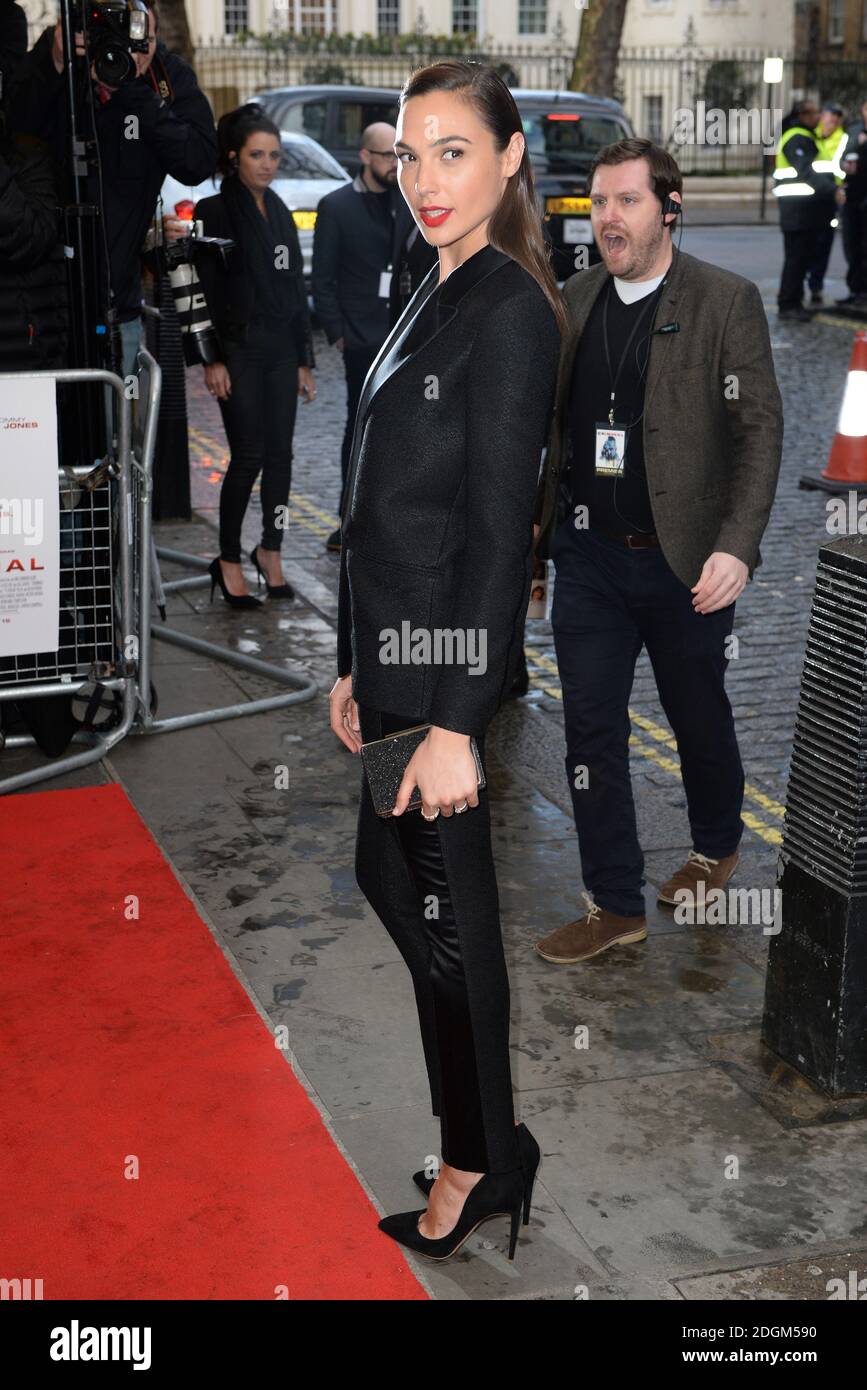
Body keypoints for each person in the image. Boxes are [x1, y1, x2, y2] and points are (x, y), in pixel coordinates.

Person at [329, 60, 563, 1262]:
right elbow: (374, 494)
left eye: (454, 150)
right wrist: (347, 662)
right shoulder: (437, 278)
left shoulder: (513, 311)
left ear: (510, 157)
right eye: (410, 154)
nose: (423, 178)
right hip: (394, 667)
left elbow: (493, 536)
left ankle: (478, 1156)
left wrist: (462, 720)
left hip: (443, 677)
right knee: (400, 883)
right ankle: (491, 1130)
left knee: (449, 915)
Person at [533, 137, 783, 966]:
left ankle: (715, 847)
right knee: (589, 733)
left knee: (696, 717)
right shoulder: (574, 297)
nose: (608, 217)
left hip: (684, 563)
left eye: (626, 201)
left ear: (667, 208)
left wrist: (736, 547)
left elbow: (757, 432)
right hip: (591, 561)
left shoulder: (723, 300)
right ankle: (614, 902)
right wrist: (540, 548)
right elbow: (557, 433)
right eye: (599, 203)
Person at [6, 0, 216, 378]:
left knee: (119, 423)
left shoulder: (164, 78)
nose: (130, 50)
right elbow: (15, 130)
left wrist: (135, 93)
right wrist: (55, 63)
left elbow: (197, 162)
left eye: (141, 39)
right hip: (46, 305)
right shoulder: (60, 58)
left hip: (119, 304)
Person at [194, 103, 316, 607]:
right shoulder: (214, 212)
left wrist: (305, 358)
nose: (268, 164)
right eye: (257, 155)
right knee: (248, 456)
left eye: (274, 156)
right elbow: (196, 291)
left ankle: (271, 549)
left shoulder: (281, 210)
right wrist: (210, 359)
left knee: (281, 457)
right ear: (234, 157)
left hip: (280, 351)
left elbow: (293, 291)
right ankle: (226, 558)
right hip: (237, 351)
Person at [312, 121, 403, 551]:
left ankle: (390, 520)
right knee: (360, 428)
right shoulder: (337, 206)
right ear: (365, 156)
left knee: (401, 428)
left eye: (400, 156)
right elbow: (322, 279)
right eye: (388, 156)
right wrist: (339, 333)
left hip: (403, 336)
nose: (395, 164)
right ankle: (349, 519)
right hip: (361, 339)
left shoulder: (409, 202)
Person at [772, 99, 833, 321]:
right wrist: (832, 190)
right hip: (797, 210)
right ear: (804, 115)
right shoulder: (797, 137)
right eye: (815, 112)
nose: (818, 116)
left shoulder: (805, 136)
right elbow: (806, 171)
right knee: (796, 259)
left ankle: (794, 303)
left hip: (804, 211)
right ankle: (788, 305)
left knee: (800, 258)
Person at [807, 103, 847, 305]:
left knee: (823, 243)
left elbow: (842, 169)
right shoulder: (811, 135)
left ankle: (816, 284)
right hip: (810, 197)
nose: (832, 123)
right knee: (806, 242)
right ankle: (808, 278)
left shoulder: (843, 139)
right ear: (822, 117)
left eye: (836, 120)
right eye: (829, 119)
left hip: (831, 198)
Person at [838, 98, 867, 307]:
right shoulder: (854, 131)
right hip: (853, 196)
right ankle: (855, 289)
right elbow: (841, 157)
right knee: (852, 245)